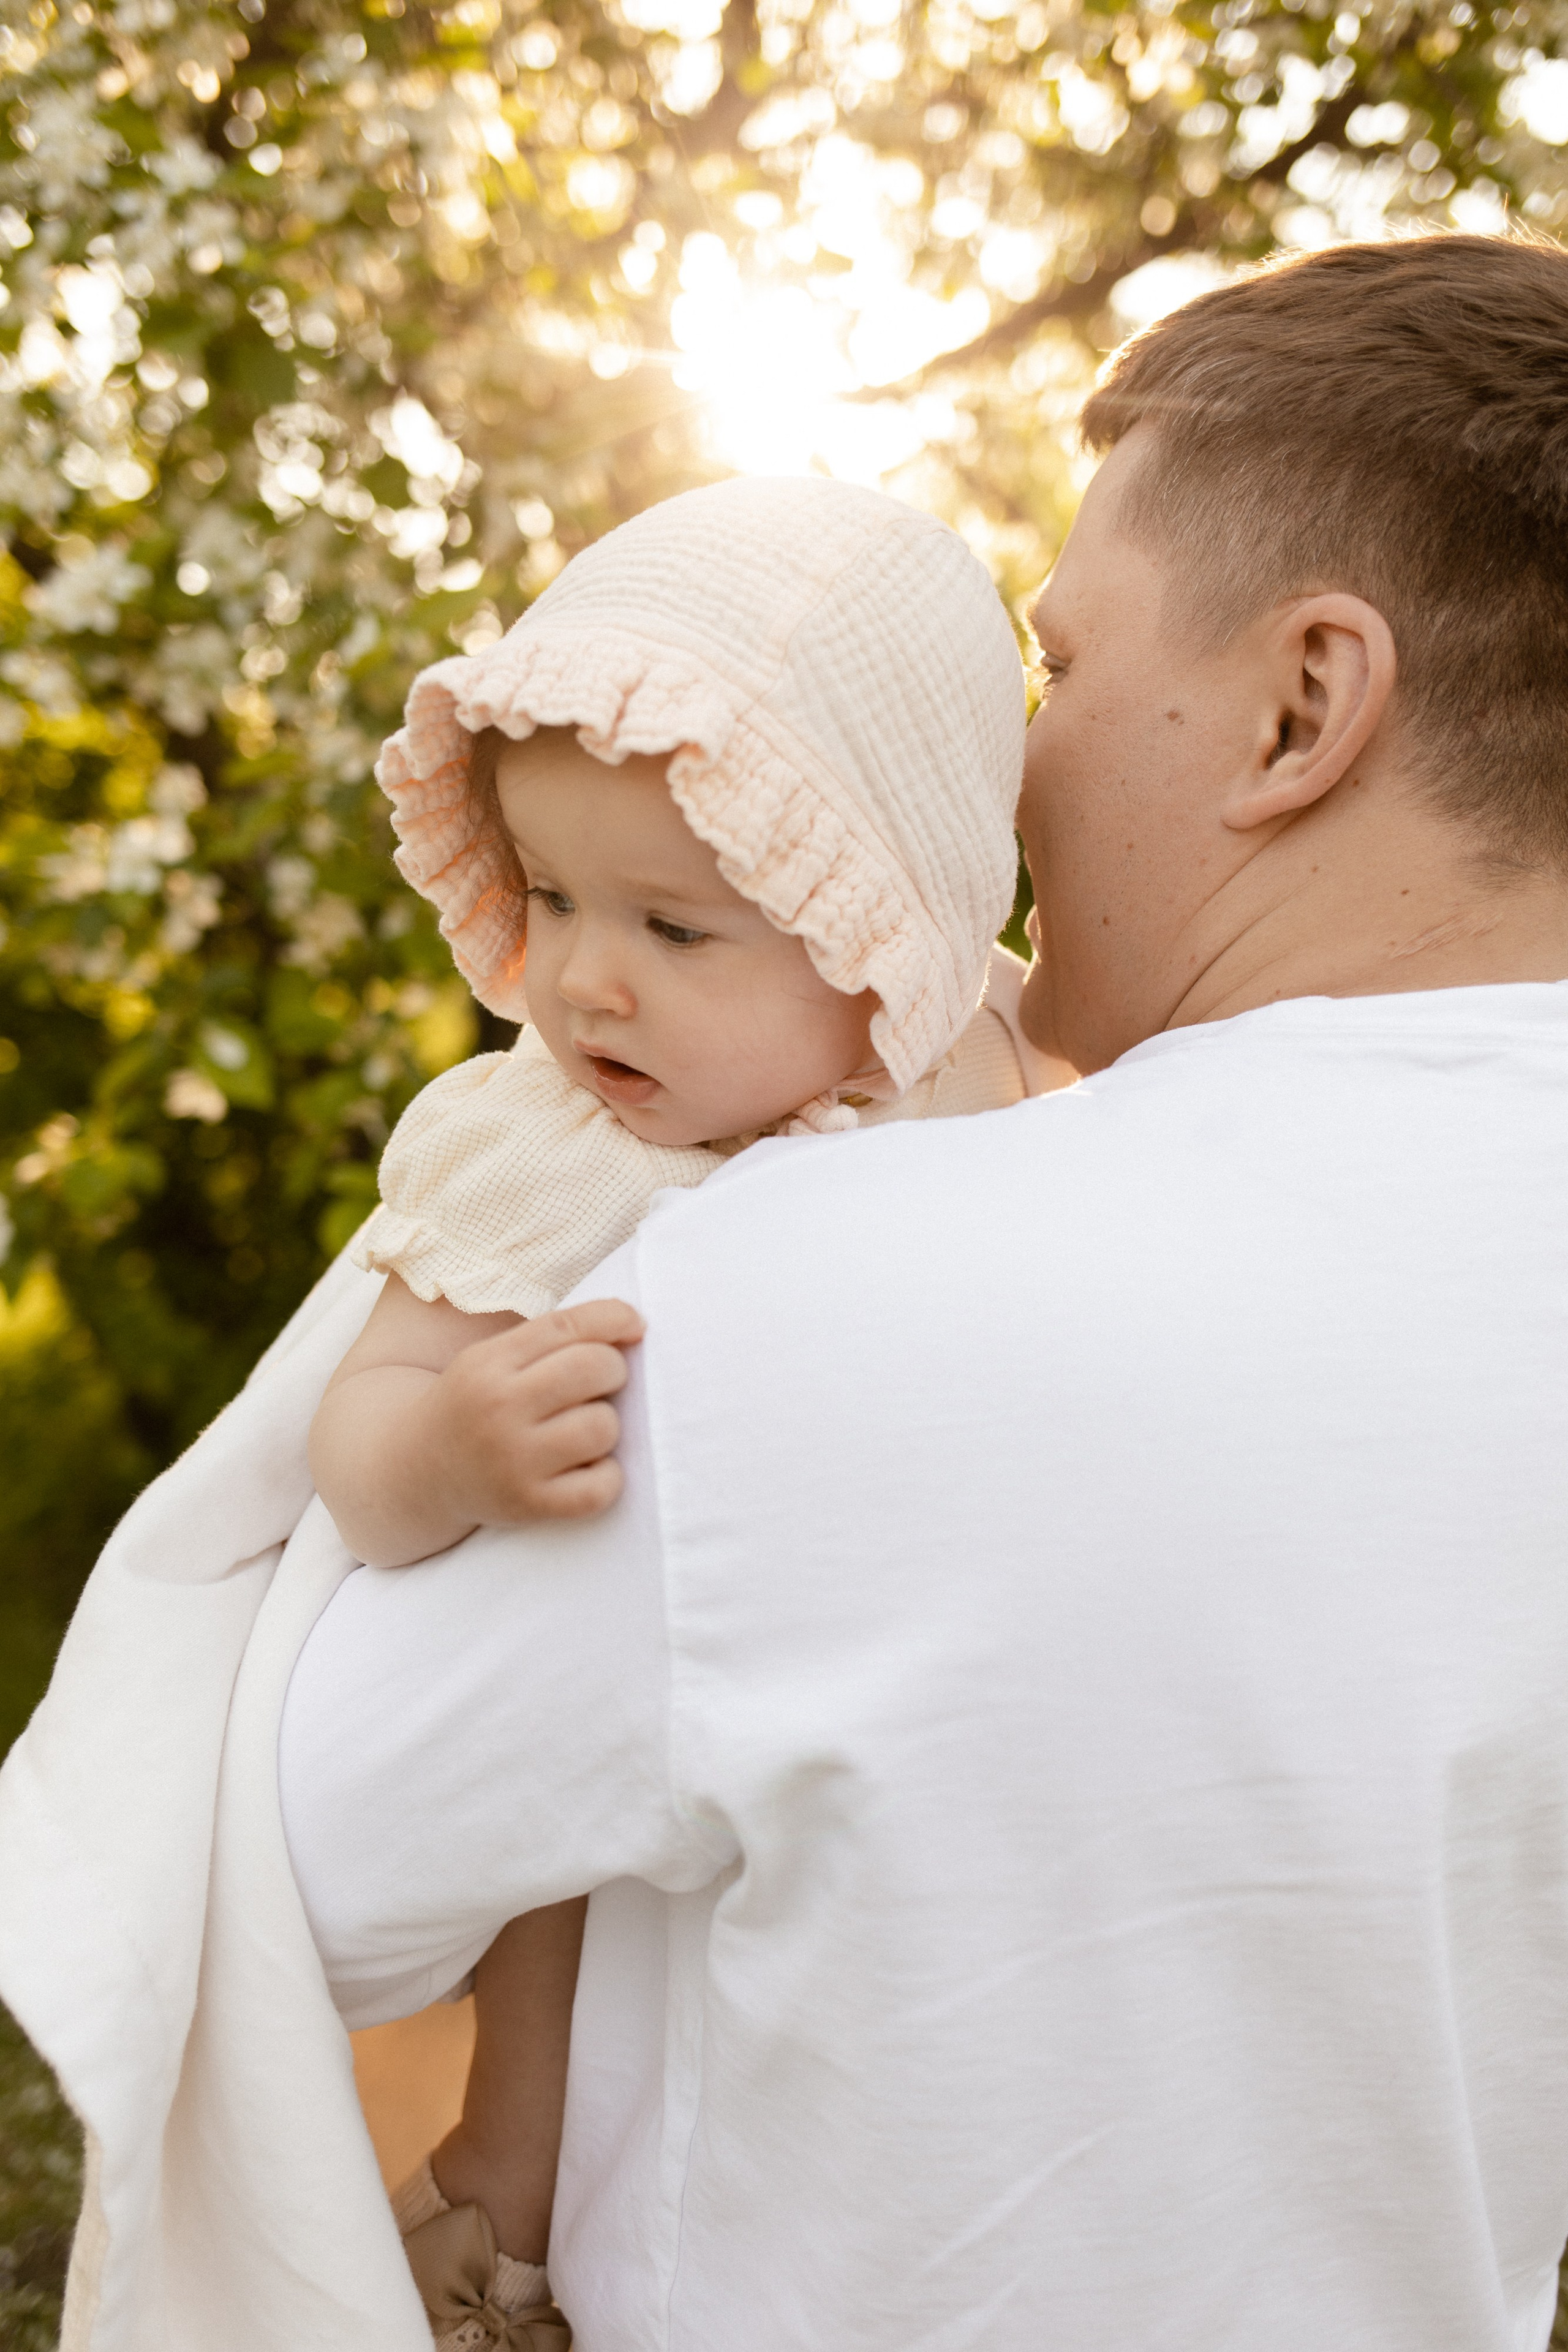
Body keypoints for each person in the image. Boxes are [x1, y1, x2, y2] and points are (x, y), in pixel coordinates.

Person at [279, 228, 1568, 2351]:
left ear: (1304, 706)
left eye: (1058, 674)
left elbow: (280, 1876)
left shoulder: (813, 1285)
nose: (1013, 779)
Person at [303, 473, 1054, 2346]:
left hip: (916, 1724)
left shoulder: (1000, 1063)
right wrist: (455, 1440)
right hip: (612, 1715)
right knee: (555, 1940)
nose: (582, 978)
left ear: (887, 925)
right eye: (549, 896)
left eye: (675, 926)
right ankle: (506, 2190)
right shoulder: (543, 1145)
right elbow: (357, 1444)